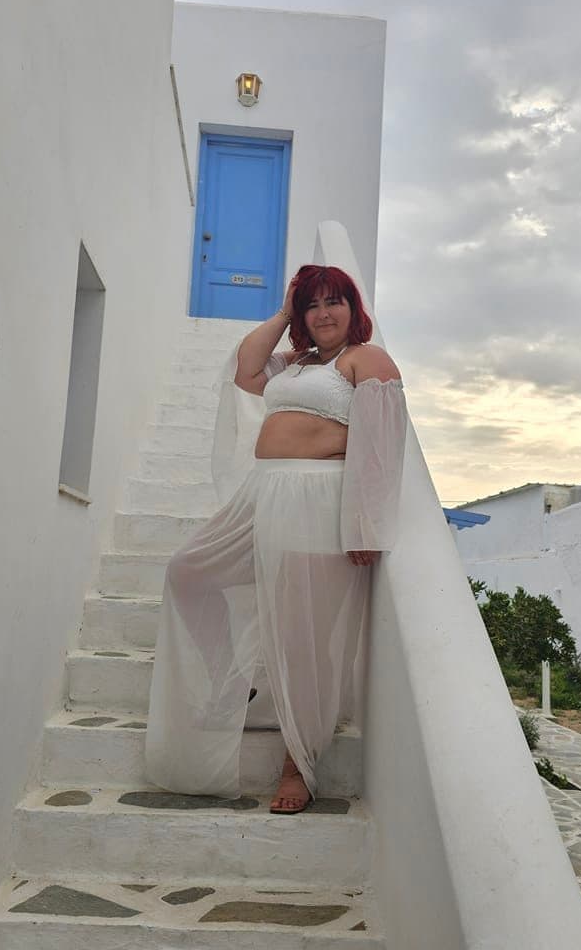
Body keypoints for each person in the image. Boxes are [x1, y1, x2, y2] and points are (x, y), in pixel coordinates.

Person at [144, 264, 407, 814]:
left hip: (318, 500)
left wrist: (365, 525)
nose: (324, 313)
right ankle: (230, 678)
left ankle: (299, 765)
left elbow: (381, 449)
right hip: (262, 495)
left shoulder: (366, 359)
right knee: (189, 572)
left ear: (353, 308)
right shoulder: (294, 362)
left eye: (334, 302)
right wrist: (287, 310)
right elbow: (245, 370)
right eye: (313, 305)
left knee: (301, 631)